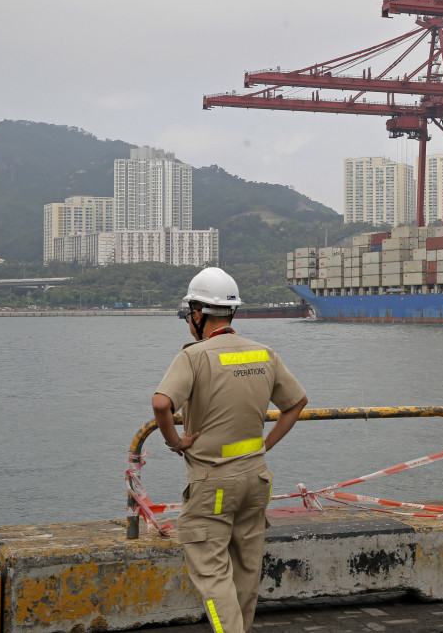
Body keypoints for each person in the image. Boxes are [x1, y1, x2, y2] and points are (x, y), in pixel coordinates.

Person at [153, 266, 308, 633]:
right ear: (231, 311)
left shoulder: (194, 357)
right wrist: (264, 445)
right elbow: (296, 403)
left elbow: (162, 404)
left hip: (213, 485)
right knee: (246, 571)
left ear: (198, 312)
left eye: (189, 313)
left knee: (212, 573)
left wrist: (175, 442)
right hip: (256, 480)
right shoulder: (264, 354)